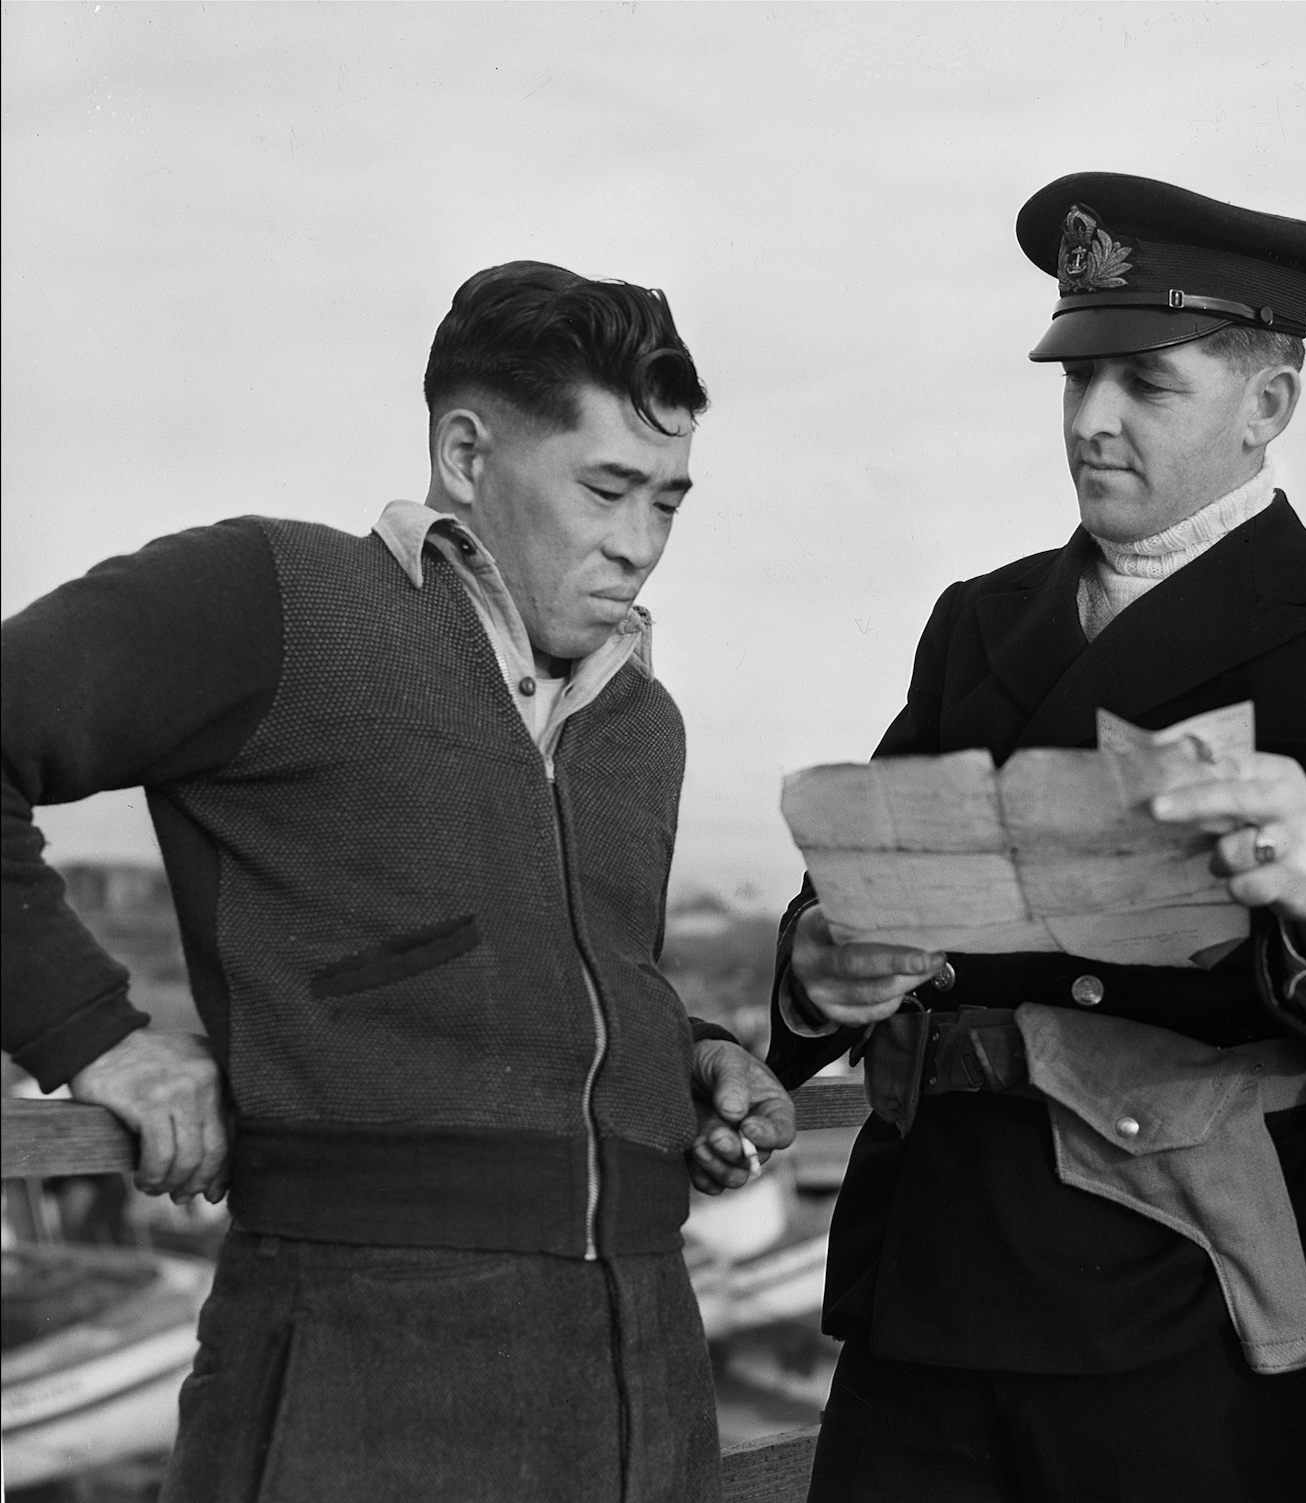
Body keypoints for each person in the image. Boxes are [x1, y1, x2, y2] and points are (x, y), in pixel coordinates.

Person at [0, 261, 796, 1503]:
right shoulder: (276, 600)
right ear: (468, 454)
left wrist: (681, 1052)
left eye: (670, 501)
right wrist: (94, 1037)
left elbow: (556, 970)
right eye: (606, 489)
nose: (640, 545)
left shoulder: (645, 722)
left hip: (649, 1361)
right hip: (356, 1359)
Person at [767, 173, 1306, 1502]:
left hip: (1185, 1299)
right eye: (1074, 380)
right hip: (933, 1283)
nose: (1091, 422)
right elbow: (855, 880)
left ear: (1266, 408)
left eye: (1144, 385)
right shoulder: (978, 618)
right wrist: (823, 965)